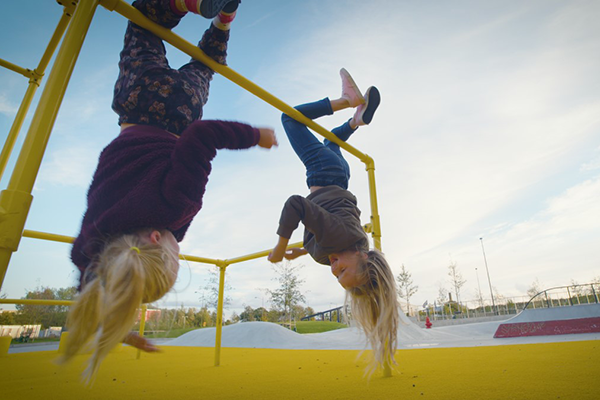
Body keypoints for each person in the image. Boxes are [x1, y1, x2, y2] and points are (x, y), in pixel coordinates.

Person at [60, 0, 277, 381]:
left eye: (176, 259)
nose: (181, 251)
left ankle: (223, 19)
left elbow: (201, 135)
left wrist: (253, 136)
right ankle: (197, 7)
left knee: (205, 66)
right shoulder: (97, 240)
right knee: (143, 23)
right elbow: (93, 281)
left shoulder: (176, 207)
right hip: (138, 98)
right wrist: (114, 323)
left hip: (180, 110)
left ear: (158, 237)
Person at [268, 69, 399, 375]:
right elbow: (295, 204)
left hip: (339, 173)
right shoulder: (336, 241)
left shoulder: (351, 242)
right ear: (362, 257)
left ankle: (356, 121)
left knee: (331, 141)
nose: (335, 269)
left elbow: (321, 230)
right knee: (290, 118)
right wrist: (279, 247)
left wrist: (302, 250)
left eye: (337, 276)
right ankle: (345, 101)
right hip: (322, 173)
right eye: (344, 269)